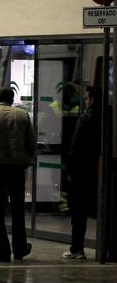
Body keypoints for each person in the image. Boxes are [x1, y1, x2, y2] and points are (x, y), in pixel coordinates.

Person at [0, 87, 36, 262]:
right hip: (17, 168)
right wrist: (26, 160)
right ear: (12, 99)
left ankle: (3, 250)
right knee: (18, 210)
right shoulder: (22, 115)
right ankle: (19, 249)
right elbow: (31, 143)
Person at [62, 86, 102, 259]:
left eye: (87, 98)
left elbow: (75, 147)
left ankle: (77, 249)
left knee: (79, 213)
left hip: (82, 173)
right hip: (99, 172)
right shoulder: (106, 119)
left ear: (92, 99)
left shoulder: (85, 119)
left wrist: (70, 170)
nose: (85, 101)